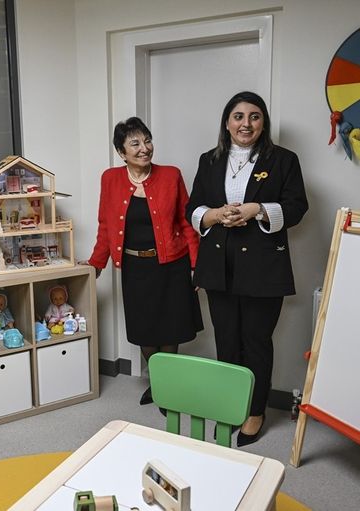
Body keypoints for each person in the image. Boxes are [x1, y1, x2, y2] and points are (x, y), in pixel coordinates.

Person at [185, 91, 308, 447]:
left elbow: (297, 207)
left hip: (263, 266)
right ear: (227, 123)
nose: (246, 123)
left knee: (256, 342)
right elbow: (194, 208)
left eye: (254, 116)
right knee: (226, 340)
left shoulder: (284, 160)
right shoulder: (209, 160)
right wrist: (215, 215)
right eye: (238, 116)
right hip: (218, 265)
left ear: (263, 123)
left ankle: (255, 411)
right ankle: (231, 404)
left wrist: (257, 210)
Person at [85, 116, 203, 410]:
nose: (144, 148)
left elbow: (186, 222)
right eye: (135, 143)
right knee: (145, 332)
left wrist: (195, 264)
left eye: (147, 140)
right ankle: (161, 380)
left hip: (172, 266)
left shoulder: (171, 175)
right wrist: (95, 263)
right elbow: (106, 225)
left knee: (171, 329)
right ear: (121, 152)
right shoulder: (110, 179)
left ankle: (167, 388)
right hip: (135, 268)